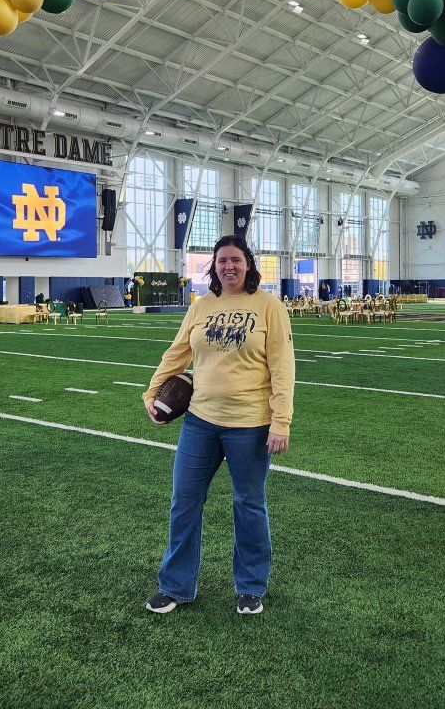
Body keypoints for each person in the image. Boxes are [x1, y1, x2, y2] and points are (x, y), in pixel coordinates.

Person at [142, 235, 294, 616]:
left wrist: (281, 421)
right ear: (213, 266)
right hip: (200, 421)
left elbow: (282, 367)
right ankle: (175, 586)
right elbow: (176, 353)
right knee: (184, 502)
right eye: (222, 260)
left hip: (251, 424)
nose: (229, 266)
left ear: (248, 264)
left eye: (236, 260)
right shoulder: (201, 307)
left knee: (249, 504)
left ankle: (250, 588)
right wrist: (151, 394)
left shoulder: (269, 306)